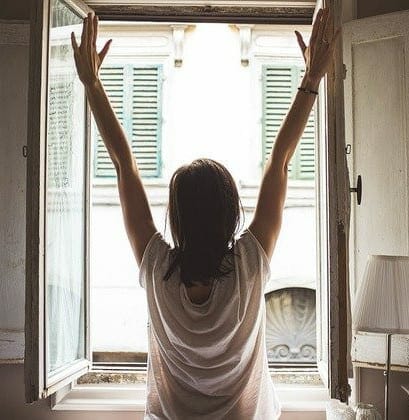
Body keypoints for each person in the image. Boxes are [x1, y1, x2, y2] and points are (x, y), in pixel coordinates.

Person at [71, 8, 339, 419]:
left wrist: (91, 83)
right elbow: (280, 162)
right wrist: (310, 80)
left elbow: (124, 163)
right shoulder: (250, 263)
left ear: (176, 217)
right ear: (231, 213)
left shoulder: (157, 268)